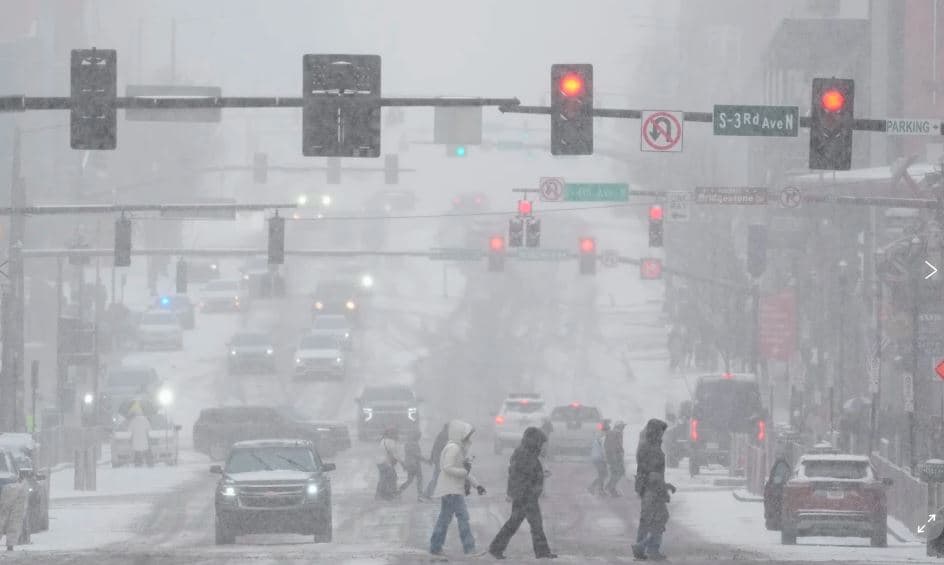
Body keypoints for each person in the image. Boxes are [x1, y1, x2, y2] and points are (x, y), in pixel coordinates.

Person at [488, 427, 557, 560]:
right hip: (526, 496)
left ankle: (496, 548)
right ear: (535, 441)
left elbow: (524, 474)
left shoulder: (527, 453)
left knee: (515, 523)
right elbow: (518, 476)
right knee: (534, 524)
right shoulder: (524, 455)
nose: (543, 446)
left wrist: (541, 474)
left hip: (525, 495)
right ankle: (541, 552)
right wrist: (515, 493)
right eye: (541, 443)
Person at [429, 420, 486, 558]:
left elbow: (464, 471)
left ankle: (435, 547)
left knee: (444, 519)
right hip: (452, 491)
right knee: (462, 518)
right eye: (467, 436)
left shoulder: (456, 448)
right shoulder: (454, 448)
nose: (469, 439)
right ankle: (469, 549)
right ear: (460, 434)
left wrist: (477, 485)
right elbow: (447, 467)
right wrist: (464, 471)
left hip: (450, 490)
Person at [631, 471, 675, 561]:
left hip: (654, 515)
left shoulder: (650, 490)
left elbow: (662, 491)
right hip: (656, 516)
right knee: (656, 534)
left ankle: (649, 550)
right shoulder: (652, 492)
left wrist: (668, 487)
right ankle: (642, 548)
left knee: (655, 533)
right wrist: (667, 489)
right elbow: (663, 495)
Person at [634, 418, 668, 497]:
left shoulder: (652, 439)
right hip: (651, 480)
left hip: (652, 477)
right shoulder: (648, 443)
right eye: (661, 431)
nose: (662, 434)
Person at [398, 429, 430, 501]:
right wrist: (426, 460)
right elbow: (417, 455)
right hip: (414, 464)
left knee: (410, 480)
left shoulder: (408, 443)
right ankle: (420, 495)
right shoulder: (414, 444)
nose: (419, 438)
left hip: (409, 464)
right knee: (419, 479)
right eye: (419, 436)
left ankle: (399, 491)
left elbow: (412, 454)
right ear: (416, 436)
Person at [0, 471, 28, 551]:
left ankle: (10, 544)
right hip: (16, 499)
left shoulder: (7, 484)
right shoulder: (21, 487)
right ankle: (10, 544)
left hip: (5, 497)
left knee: (2, 520)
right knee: (14, 522)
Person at [424, 423, 449, 500]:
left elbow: (435, 447)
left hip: (440, 459)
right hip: (440, 460)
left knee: (440, 477)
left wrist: (432, 458)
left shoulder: (442, 435)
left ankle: (430, 493)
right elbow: (440, 447)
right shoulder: (444, 435)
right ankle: (428, 493)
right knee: (437, 477)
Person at [376, 427, 402, 501]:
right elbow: (395, 454)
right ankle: (389, 494)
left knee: (383, 479)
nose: (395, 434)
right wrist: (403, 463)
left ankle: (379, 495)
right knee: (392, 478)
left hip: (379, 462)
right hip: (386, 463)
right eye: (394, 433)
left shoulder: (383, 440)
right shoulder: (391, 441)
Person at [604, 421, 627, 496]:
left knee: (617, 472)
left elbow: (611, 446)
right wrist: (614, 457)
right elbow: (613, 446)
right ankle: (611, 488)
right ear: (619, 426)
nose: (623, 428)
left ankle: (610, 486)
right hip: (615, 457)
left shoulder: (614, 433)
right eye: (622, 426)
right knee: (618, 472)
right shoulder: (616, 433)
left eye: (624, 426)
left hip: (614, 456)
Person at [588, 420, 610, 495]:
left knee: (603, 474)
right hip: (599, 458)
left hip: (596, 457)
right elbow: (603, 449)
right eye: (608, 429)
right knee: (603, 474)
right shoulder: (603, 437)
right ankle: (593, 487)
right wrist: (606, 458)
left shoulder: (599, 435)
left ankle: (600, 489)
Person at [128, 401, 153, 468]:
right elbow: (149, 429)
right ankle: (149, 463)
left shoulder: (133, 421)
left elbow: (129, 430)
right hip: (144, 439)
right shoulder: (145, 420)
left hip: (136, 439)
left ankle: (138, 463)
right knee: (147, 451)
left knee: (137, 452)